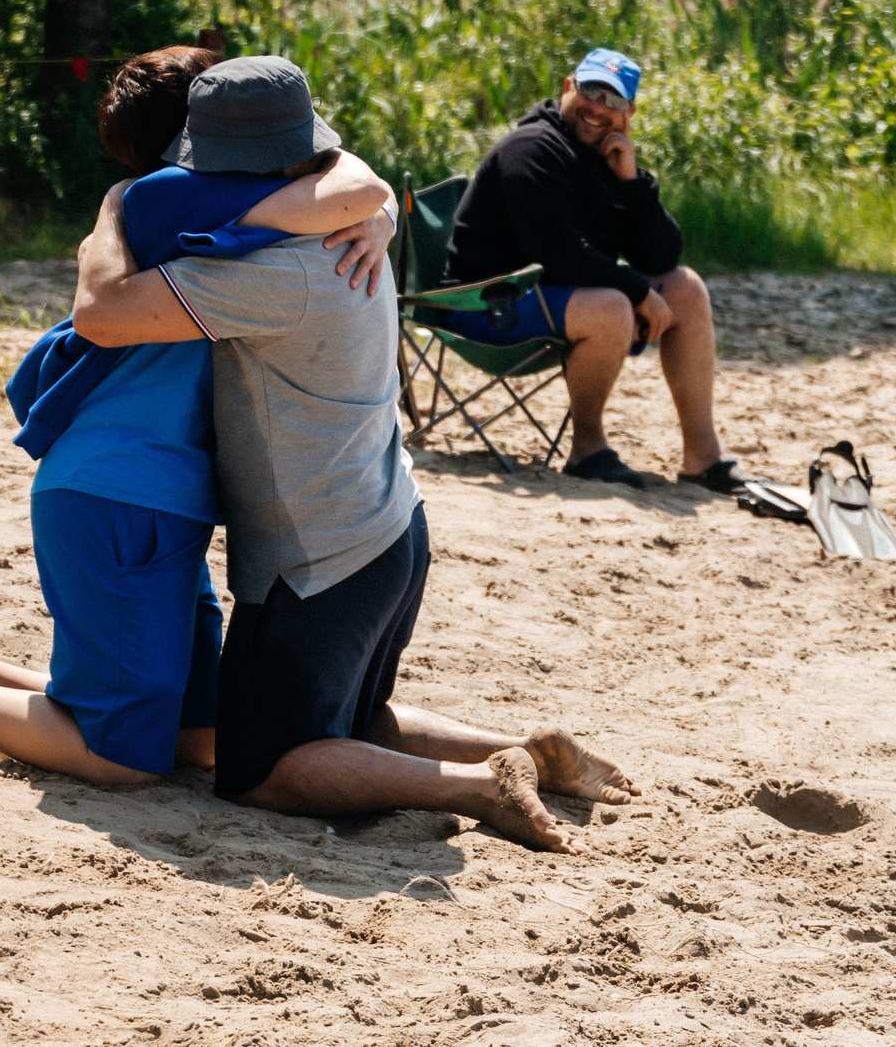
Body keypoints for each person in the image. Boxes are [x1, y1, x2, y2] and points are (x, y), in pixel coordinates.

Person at [56, 58, 639, 852]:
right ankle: (529, 753)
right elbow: (357, 181)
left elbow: (99, 313)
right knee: (351, 721)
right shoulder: (353, 225)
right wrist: (383, 211)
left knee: (260, 764)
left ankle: (479, 785)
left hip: (318, 559)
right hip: (395, 525)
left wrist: (116, 206)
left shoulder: (263, 269)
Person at [0, 47, 397, 786]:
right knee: (120, 760)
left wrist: (381, 216)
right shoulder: (170, 197)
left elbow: (348, 190)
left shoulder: (184, 202)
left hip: (158, 494)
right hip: (122, 489)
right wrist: (377, 207)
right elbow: (350, 187)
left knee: (201, 735)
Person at [439, 49, 741, 491]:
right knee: (613, 306)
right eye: (590, 91)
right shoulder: (532, 148)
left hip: (553, 299)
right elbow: (555, 249)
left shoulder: (607, 159)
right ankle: (587, 449)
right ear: (568, 87)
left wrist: (631, 184)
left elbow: (661, 258)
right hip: (486, 306)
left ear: (629, 113)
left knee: (686, 289)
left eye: (613, 100)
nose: (598, 107)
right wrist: (637, 291)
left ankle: (702, 458)